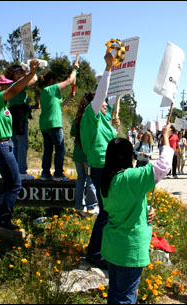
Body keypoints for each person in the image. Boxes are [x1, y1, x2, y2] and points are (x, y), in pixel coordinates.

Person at [100, 125, 172, 304]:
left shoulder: (108, 179)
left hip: (113, 246)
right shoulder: (129, 178)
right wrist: (165, 138)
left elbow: (124, 205)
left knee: (115, 293)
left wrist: (147, 210)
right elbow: (163, 166)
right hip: (129, 249)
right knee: (125, 298)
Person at [0, 59, 39, 230]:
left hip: (1, 146)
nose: (5, 87)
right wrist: (31, 73)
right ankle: (3, 219)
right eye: (3, 85)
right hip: (1, 146)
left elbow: (16, 89)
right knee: (15, 184)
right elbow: (15, 89)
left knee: (8, 183)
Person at [80, 52, 120, 269]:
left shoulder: (102, 120)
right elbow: (103, 94)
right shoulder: (90, 115)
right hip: (101, 168)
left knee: (109, 210)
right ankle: (95, 252)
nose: (105, 104)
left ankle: (100, 249)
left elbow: (111, 98)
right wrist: (108, 69)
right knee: (106, 211)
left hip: (108, 167)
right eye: (102, 103)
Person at [37, 59, 79, 181]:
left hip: (45, 125)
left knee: (48, 150)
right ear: (51, 81)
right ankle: (58, 173)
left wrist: (69, 97)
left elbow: (60, 105)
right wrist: (75, 69)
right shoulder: (51, 89)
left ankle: (45, 173)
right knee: (60, 149)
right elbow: (69, 81)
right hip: (54, 124)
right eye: (56, 81)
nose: (57, 83)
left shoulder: (45, 93)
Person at [5, 65, 38, 180]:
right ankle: (21, 171)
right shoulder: (18, 85)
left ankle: (14, 171)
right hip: (19, 116)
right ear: (12, 76)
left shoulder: (12, 86)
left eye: (21, 73)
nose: (20, 75)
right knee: (22, 144)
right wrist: (30, 71)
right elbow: (34, 79)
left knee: (15, 144)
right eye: (17, 73)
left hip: (14, 114)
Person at [71, 91, 99, 214]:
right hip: (88, 155)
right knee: (90, 179)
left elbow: (72, 132)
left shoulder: (77, 117)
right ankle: (92, 205)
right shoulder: (91, 118)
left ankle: (79, 205)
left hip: (77, 153)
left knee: (81, 179)